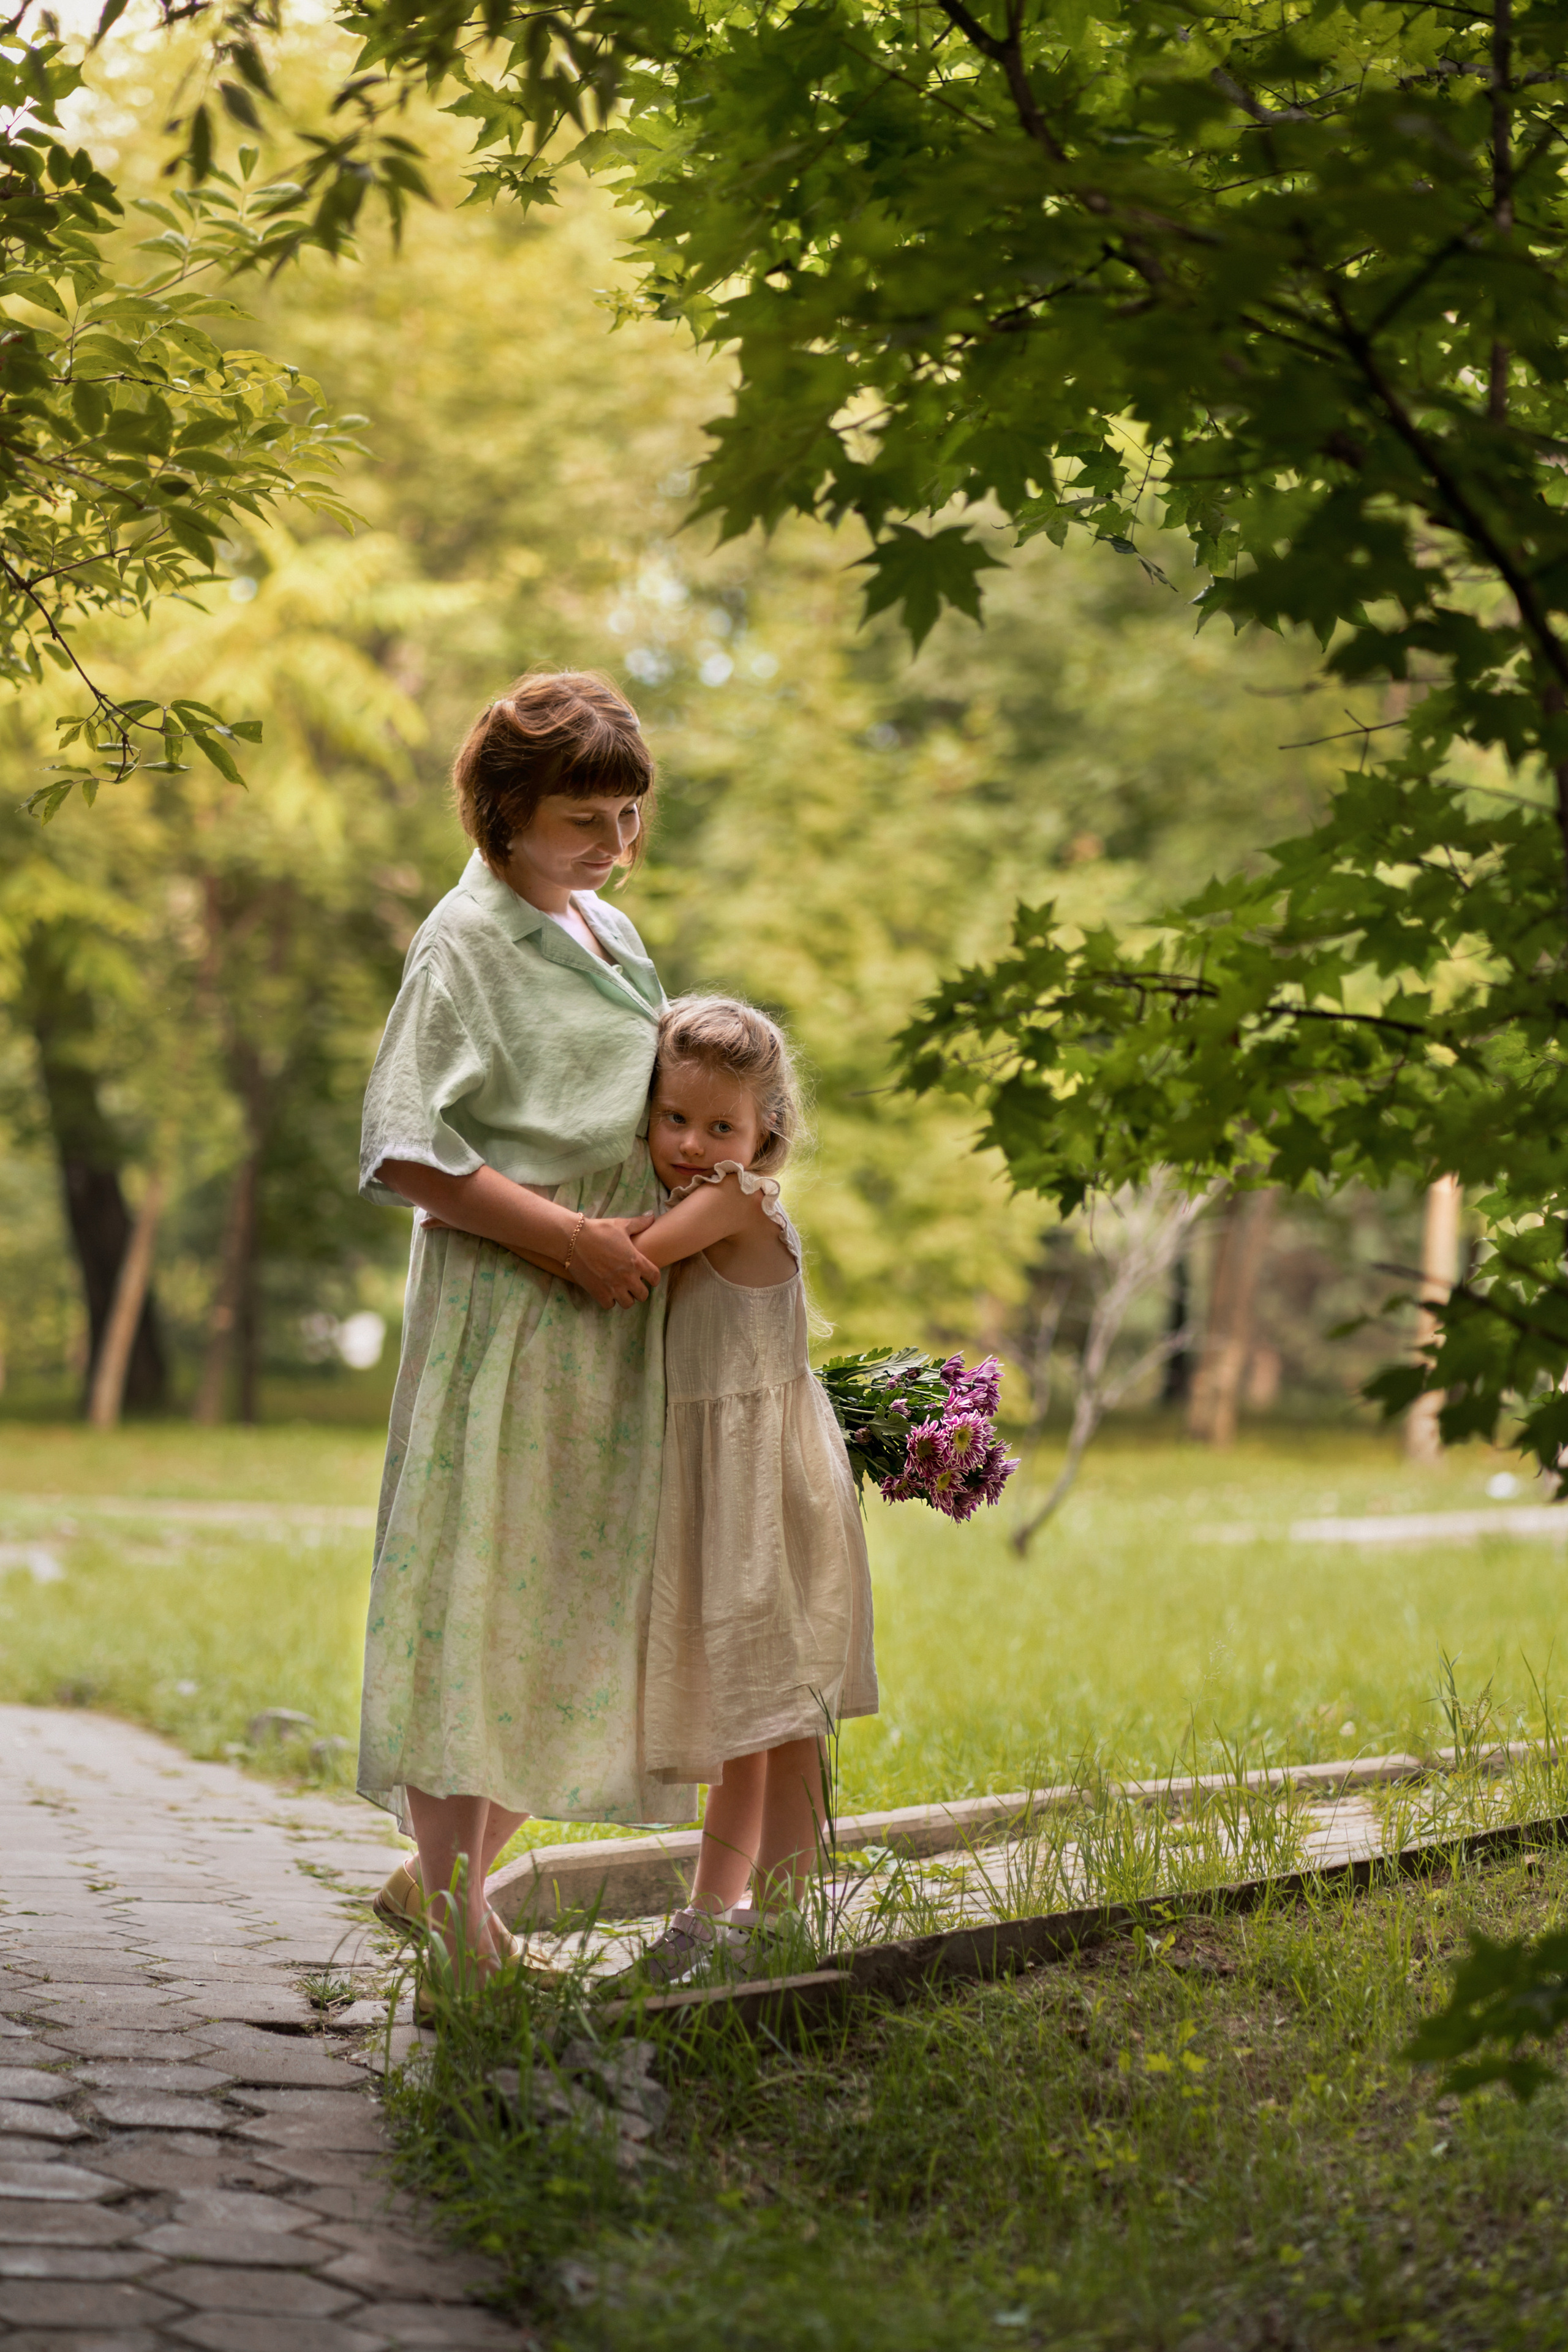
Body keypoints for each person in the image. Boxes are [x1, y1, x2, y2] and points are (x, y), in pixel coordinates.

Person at [355, 669, 692, 1981]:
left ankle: (437, 1875)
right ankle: (457, 1930)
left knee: (573, 1605)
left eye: (627, 815)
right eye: (580, 820)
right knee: (485, 1599)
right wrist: (567, 1238)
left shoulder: (606, 929)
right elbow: (406, 1150)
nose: (611, 846)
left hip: (607, 1308)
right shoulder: (466, 939)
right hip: (517, 1302)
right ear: (502, 812)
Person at [628, 997, 879, 1983]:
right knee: (744, 1710)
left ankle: (780, 1918)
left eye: (719, 1126)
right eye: (673, 1119)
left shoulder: (734, 1201)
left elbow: (624, 1263)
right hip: (729, 1482)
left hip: (769, 1487)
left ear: (763, 1131)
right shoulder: (704, 1197)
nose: (692, 1143)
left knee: (782, 1713)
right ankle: (706, 1914)